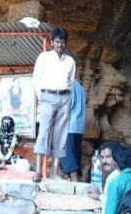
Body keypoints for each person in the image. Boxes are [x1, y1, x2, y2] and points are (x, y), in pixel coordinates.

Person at [32, 27, 76, 182]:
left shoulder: (70, 61)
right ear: (52, 42)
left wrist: (67, 98)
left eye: (63, 42)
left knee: (61, 134)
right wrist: (41, 96)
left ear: (66, 43)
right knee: (44, 131)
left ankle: (54, 172)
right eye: (57, 41)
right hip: (47, 96)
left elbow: (70, 81)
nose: (60, 45)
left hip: (64, 97)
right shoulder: (43, 57)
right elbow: (36, 78)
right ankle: (38, 171)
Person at [62, 78, 87, 181]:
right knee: (76, 154)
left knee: (68, 155)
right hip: (79, 126)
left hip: (69, 125)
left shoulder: (69, 85)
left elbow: (68, 104)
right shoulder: (80, 87)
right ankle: (75, 180)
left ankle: (74, 180)